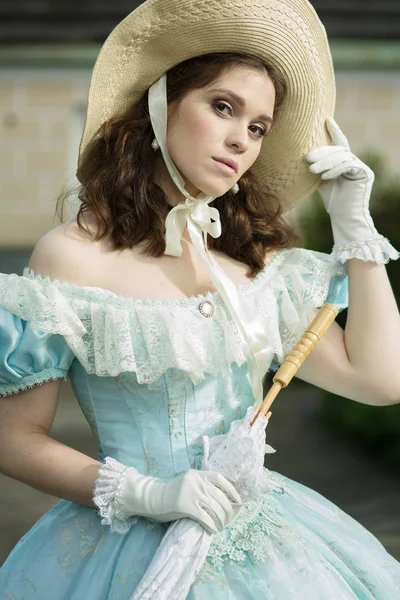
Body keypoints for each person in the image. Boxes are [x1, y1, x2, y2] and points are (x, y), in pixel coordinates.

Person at [0, 0, 400, 597]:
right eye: (222, 107)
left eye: (258, 127)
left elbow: (381, 380)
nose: (240, 138)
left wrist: (356, 233)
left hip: (269, 545)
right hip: (120, 548)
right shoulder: (70, 257)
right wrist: (146, 493)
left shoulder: (252, 268)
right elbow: (13, 437)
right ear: (160, 106)